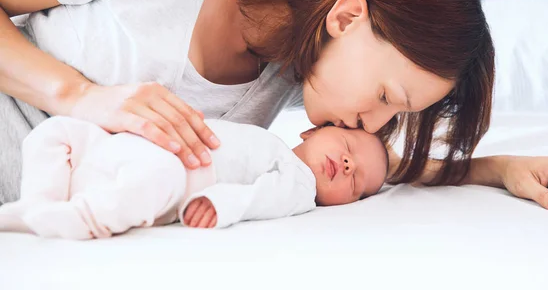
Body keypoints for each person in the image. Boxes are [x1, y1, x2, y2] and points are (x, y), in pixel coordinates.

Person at [0, 0, 548, 214]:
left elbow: (364, 167)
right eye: (387, 97)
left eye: (396, 115)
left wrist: (495, 169)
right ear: (346, 15)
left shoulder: (294, 69)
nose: (375, 125)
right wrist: (81, 96)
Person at [0, 116, 388, 239]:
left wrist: (217, 203)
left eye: (358, 186)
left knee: (162, 173)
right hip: (124, 149)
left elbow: (260, 198)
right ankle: (38, 202)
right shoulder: (270, 141)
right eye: (347, 145)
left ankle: (81, 217)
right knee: (57, 130)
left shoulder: (299, 185)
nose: (349, 166)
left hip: (164, 177)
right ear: (311, 131)